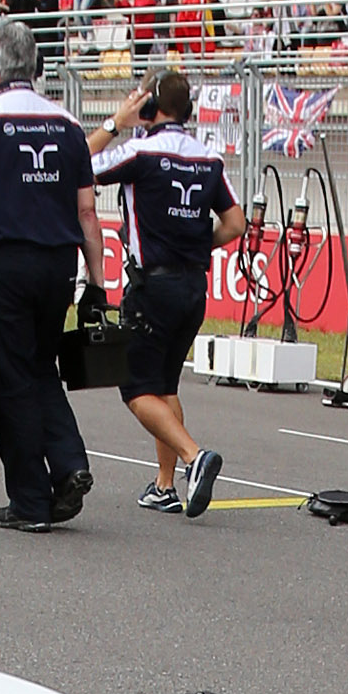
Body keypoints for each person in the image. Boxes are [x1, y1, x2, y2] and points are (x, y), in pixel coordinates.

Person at [0, 21, 107, 536]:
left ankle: (30, 501)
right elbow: (88, 213)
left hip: (6, 264)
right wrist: (97, 285)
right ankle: (69, 462)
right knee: (40, 365)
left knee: (8, 378)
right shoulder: (69, 125)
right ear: (37, 66)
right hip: (58, 266)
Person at [92, 69, 239, 515]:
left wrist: (116, 122)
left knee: (136, 389)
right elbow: (235, 224)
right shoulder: (209, 158)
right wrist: (196, 245)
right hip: (193, 285)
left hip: (151, 285)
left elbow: (77, 163)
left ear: (150, 107)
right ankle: (164, 485)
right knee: (165, 384)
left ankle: (196, 457)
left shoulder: (139, 151)